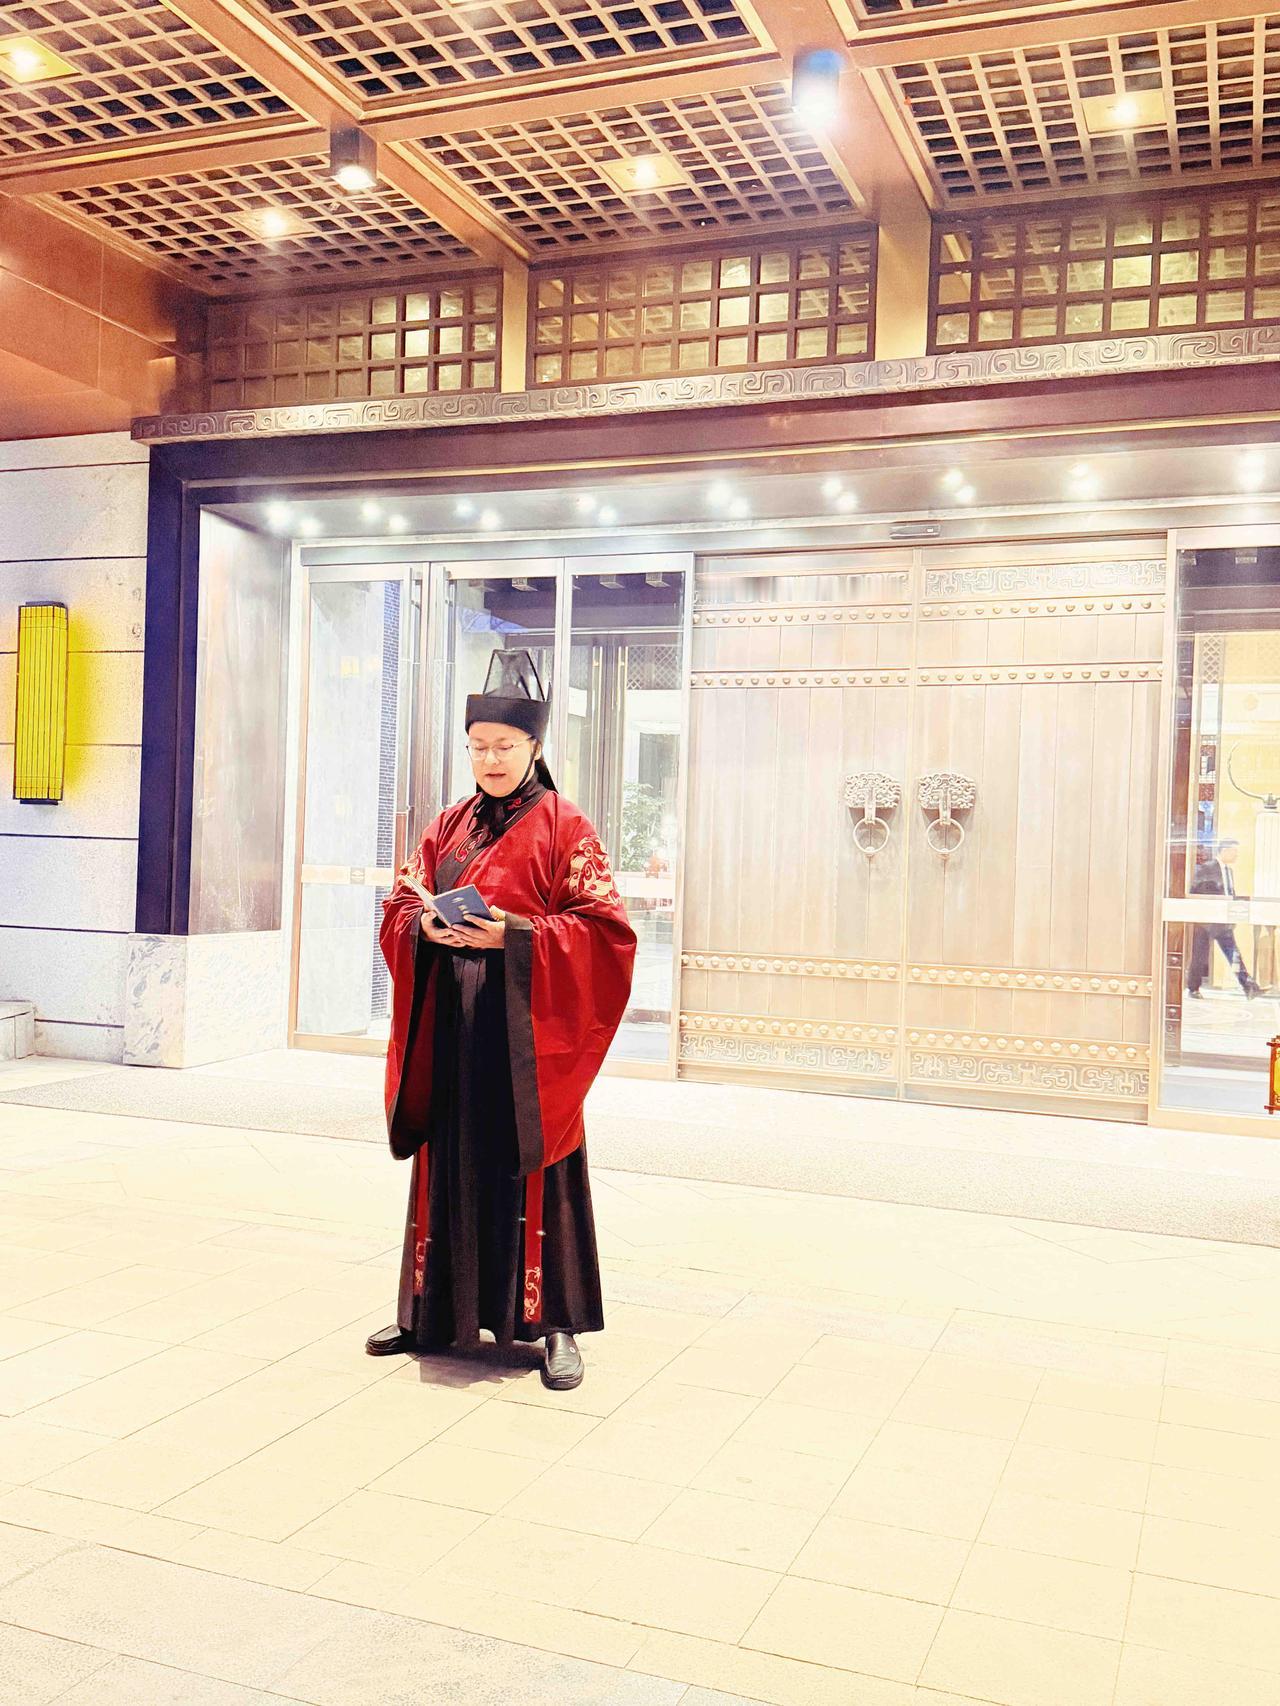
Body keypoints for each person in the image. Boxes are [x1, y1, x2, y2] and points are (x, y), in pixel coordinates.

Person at [366, 649, 636, 1391]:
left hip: (526, 1037)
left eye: (504, 746)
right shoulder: (448, 825)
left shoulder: (565, 827)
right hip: (452, 1027)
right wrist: (425, 928)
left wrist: (512, 936)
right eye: (478, 746)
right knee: (445, 1161)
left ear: (534, 747)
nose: (489, 759)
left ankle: (554, 1327)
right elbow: (402, 903)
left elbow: (606, 932)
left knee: (538, 1173)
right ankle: (429, 1315)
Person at [1187, 838, 1262, 1000]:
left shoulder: (1229, 871)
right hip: (1206, 921)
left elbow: (1230, 894)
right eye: (1234, 852)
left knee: (1233, 954)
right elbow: (1197, 890)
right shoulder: (1207, 868)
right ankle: (1193, 988)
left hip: (1223, 921)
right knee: (1200, 955)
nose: (1237, 855)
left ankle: (1249, 987)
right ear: (1225, 851)